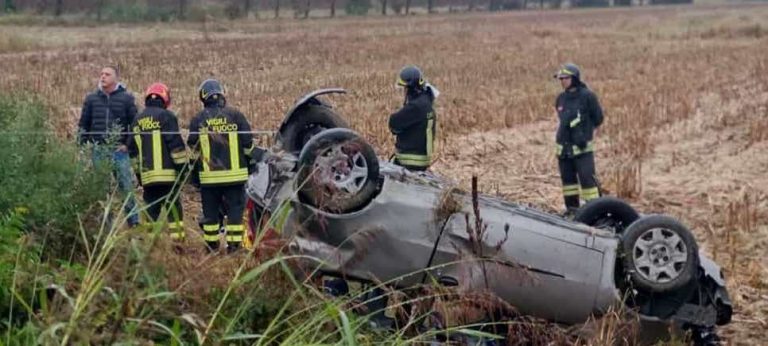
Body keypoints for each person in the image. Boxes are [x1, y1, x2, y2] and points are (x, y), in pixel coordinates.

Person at [187, 79, 256, 253]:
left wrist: (194, 175)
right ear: (222, 95)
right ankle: (234, 247)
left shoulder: (198, 119)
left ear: (203, 98)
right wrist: (251, 166)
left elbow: (193, 149)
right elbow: (248, 145)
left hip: (209, 179)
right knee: (235, 213)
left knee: (210, 215)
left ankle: (211, 247)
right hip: (235, 178)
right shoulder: (236, 116)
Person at [77, 65, 139, 227]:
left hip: (119, 151)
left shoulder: (126, 98)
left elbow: (134, 124)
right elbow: (83, 124)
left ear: (116, 78)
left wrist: (127, 145)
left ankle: (134, 223)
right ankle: (106, 225)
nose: (103, 77)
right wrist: (82, 146)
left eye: (107, 74)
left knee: (125, 186)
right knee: (102, 189)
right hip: (99, 150)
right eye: (102, 74)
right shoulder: (91, 99)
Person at [127, 82, 188, 240]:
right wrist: (183, 170)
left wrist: (140, 176)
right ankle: (178, 243)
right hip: (169, 177)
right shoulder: (167, 117)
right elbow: (176, 146)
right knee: (174, 210)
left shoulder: (137, 120)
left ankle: (150, 244)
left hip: (148, 178)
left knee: (150, 211)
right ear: (165, 98)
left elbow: (132, 152)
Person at [553, 63, 604, 215]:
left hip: (582, 151)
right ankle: (572, 212)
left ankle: (595, 213)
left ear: (574, 79)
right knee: (569, 185)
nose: (562, 81)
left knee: (589, 184)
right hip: (564, 150)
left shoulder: (587, 96)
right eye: (561, 79)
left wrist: (583, 132)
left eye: (565, 78)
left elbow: (598, 118)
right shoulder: (561, 98)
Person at [388, 65, 439, 172]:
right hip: (421, 160)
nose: (404, 92)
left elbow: (394, 123)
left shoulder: (416, 107)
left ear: (411, 89)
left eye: (405, 88)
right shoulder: (426, 102)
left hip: (410, 162)